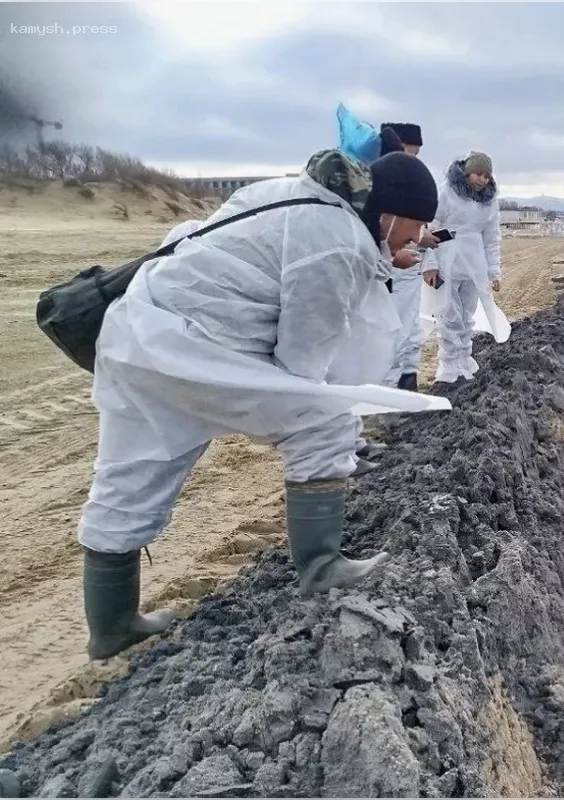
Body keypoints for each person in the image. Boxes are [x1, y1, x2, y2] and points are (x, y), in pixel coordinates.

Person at [76, 148, 447, 661]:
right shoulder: (338, 242)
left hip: (137, 338)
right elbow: (302, 360)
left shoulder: (288, 194)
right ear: (389, 213)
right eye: (417, 224)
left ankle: (112, 627)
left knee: (128, 475)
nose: (419, 236)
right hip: (202, 350)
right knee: (323, 417)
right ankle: (322, 567)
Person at [419, 151, 510, 384]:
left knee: (467, 315)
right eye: (478, 174)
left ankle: (464, 361)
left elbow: (491, 238)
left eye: (487, 176)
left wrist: (494, 270)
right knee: (449, 315)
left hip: (474, 263)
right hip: (447, 259)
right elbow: (430, 227)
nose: (483, 180)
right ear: (467, 172)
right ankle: (450, 366)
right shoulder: (447, 192)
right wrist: (430, 263)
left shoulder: (489, 202)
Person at [378, 122, 439, 391]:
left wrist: (426, 252)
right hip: (390, 270)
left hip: (409, 267)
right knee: (392, 332)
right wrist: (391, 257)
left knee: (410, 327)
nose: (412, 160)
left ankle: (407, 380)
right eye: (408, 153)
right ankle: (388, 392)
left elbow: (418, 226)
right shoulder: (383, 184)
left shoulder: (410, 185)